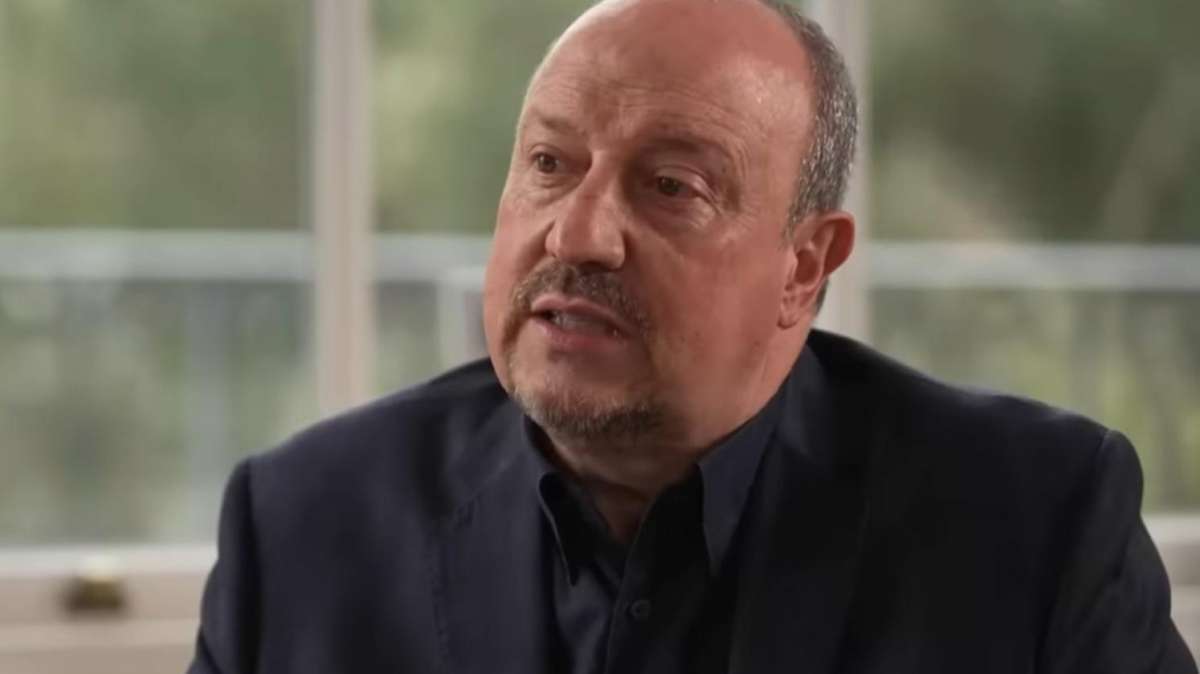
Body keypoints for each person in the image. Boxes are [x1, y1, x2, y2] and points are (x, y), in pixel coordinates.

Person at [187, 0, 1197, 672]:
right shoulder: (302, 525)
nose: (578, 233)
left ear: (803, 266)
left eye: (671, 185)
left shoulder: (1034, 525)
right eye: (549, 164)